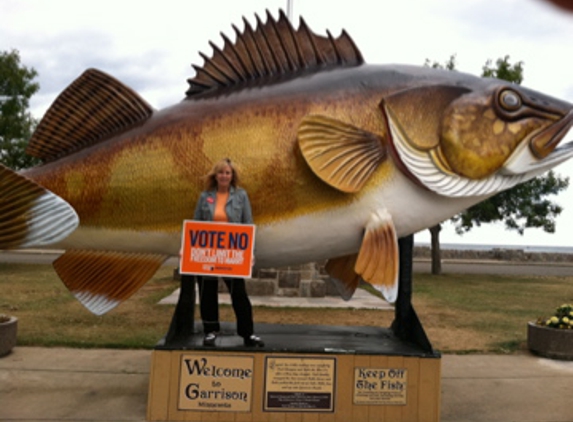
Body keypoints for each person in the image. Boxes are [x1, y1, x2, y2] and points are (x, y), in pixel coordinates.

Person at [192, 158, 264, 347]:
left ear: (232, 176)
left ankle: (248, 333)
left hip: (232, 253)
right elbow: (196, 225)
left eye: (227, 173)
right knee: (207, 292)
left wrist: (251, 252)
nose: (224, 176)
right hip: (208, 252)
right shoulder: (204, 196)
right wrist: (187, 249)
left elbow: (248, 224)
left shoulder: (241, 196)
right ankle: (210, 331)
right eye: (221, 172)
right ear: (215, 175)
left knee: (238, 292)